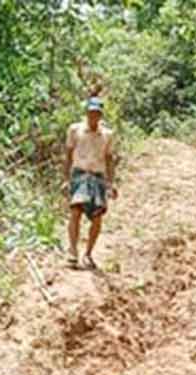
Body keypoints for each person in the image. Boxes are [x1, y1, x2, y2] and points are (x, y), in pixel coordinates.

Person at [64, 96, 116, 269]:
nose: (94, 116)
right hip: (79, 174)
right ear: (86, 112)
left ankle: (88, 253)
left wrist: (110, 183)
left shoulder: (107, 135)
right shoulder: (75, 130)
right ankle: (72, 251)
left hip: (97, 177)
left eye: (97, 113)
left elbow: (109, 159)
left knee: (97, 217)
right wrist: (66, 179)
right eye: (91, 112)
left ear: (101, 115)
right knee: (75, 211)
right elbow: (68, 154)